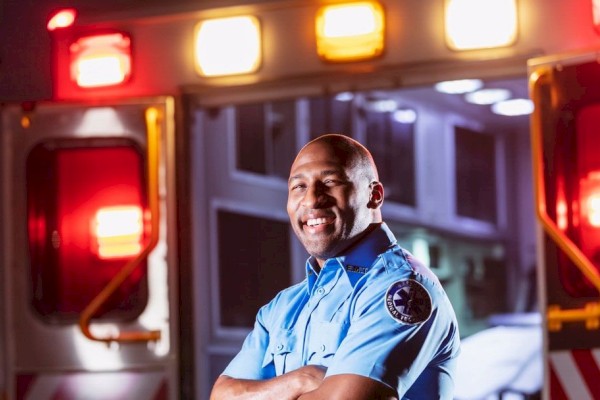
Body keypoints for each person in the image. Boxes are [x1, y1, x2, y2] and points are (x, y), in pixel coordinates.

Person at [210, 134, 460, 399]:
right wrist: (300, 380)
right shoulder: (283, 307)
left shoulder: (401, 290)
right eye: (298, 186)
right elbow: (222, 395)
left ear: (374, 195)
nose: (311, 199)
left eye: (330, 182)